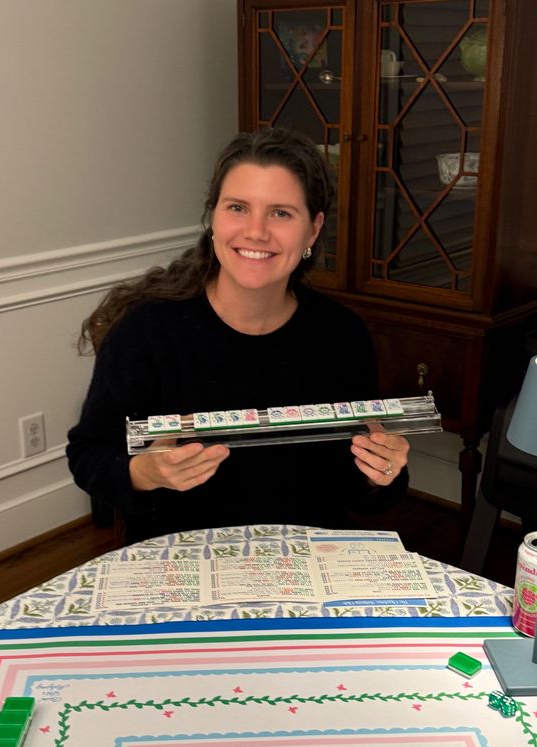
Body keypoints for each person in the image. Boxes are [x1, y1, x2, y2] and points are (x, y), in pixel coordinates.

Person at [67, 127, 409, 543]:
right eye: (237, 208)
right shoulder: (146, 331)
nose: (256, 232)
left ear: (313, 231)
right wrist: (144, 472)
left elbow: (357, 489)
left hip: (307, 556)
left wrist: (382, 473)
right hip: (181, 559)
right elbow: (89, 454)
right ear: (213, 218)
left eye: (281, 213)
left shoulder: (341, 334)